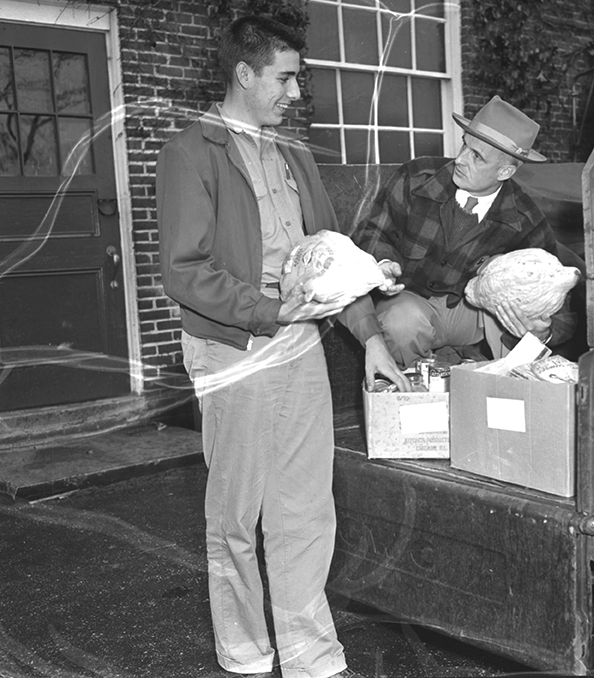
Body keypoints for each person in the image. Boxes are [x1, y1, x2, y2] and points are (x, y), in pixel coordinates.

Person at [156, 15, 375, 678]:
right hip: (231, 349)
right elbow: (185, 270)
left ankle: (311, 656)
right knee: (237, 515)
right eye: (284, 77)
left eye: (298, 79)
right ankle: (247, 655)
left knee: (307, 507)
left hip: (300, 344)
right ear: (244, 73)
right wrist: (269, 310)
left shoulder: (295, 154)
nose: (294, 92)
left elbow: (332, 256)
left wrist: (369, 338)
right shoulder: (190, 152)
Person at [345, 96, 582, 391]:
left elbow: (559, 305)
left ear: (505, 172)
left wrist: (543, 330)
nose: (460, 159)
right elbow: (373, 232)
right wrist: (382, 263)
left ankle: (493, 400)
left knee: (519, 326)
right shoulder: (415, 178)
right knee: (402, 322)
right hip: (410, 301)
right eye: (464, 145)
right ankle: (408, 399)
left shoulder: (525, 219)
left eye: (477, 156)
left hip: (475, 317)